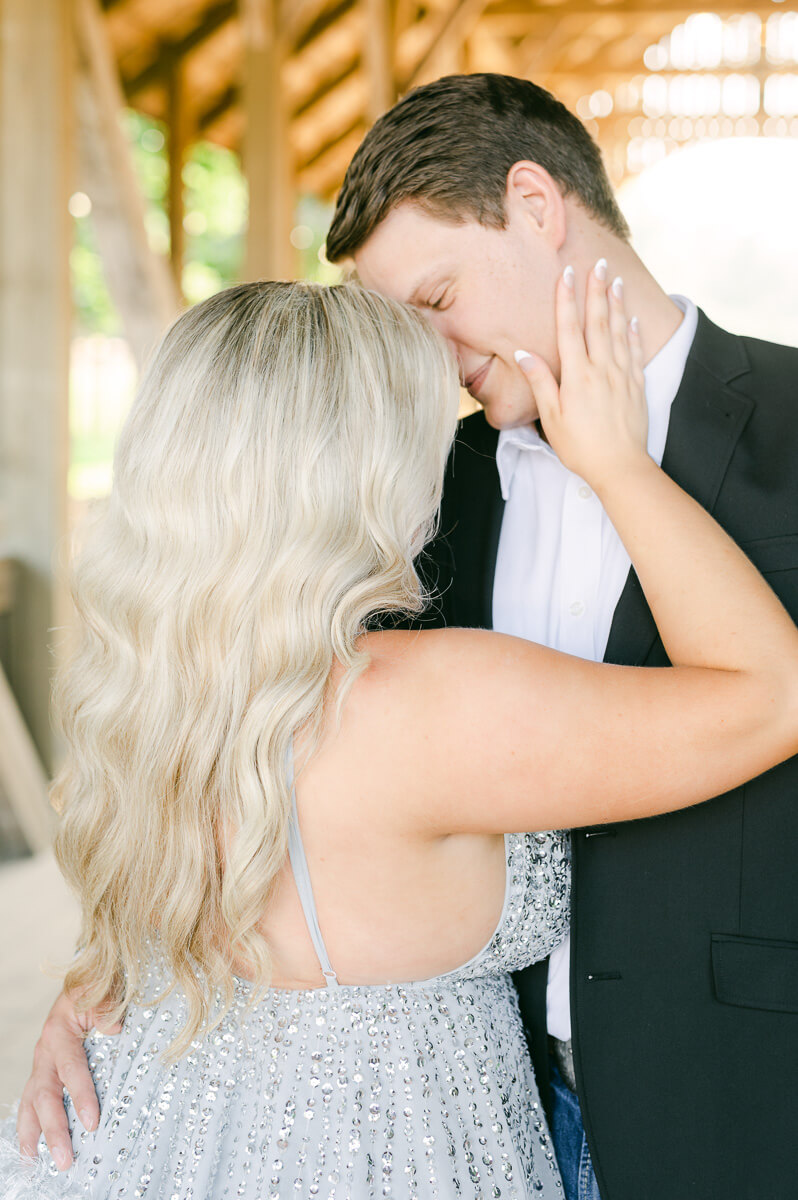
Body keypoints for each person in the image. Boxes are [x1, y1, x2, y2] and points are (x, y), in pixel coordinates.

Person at [5, 267, 798, 1200]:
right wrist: (618, 463)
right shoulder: (427, 702)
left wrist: (95, 983)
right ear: (365, 465)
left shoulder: (146, 687)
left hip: (157, 1127)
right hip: (408, 1157)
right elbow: (773, 696)